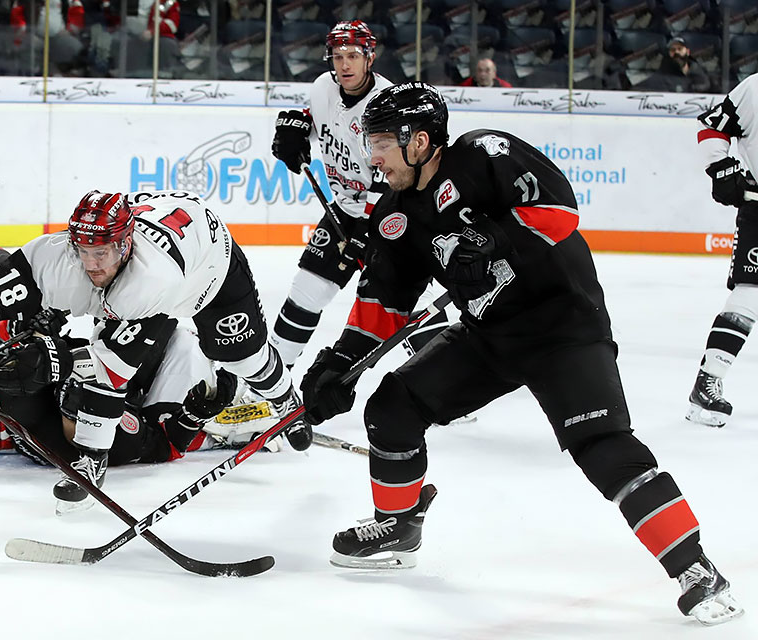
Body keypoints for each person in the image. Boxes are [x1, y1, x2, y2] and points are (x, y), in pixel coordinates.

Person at [300, 81, 743, 626]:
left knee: (603, 447)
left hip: (564, 330)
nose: (373, 155)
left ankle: (695, 567)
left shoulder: (485, 155)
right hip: (489, 336)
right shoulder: (396, 212)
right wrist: (337, 365)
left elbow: (558, 209)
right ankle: (398, 525)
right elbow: (383, 300)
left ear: (419, 141)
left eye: (383, 142)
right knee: (392, 406)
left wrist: (491, 239)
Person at [0, 190, 312, 507]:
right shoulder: (61, 256)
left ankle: (286, 401)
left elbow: (113, 371)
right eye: (84, 250)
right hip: (152, 258)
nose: (92, 264)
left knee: (244, 356)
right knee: (14, 282)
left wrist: (88, 449)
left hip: (208, 268)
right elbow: (0, 288)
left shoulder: (149, 283)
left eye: (102, 252)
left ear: (125, 245)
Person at [270, 21, 439, 369]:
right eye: (337, 56)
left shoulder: (386, 102)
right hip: (345, 210)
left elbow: (390, 175)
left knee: (402, 303)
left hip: (391, 214)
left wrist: (368, 230)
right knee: (305, 292)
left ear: (370, 58)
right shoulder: (322, 87)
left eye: (352, 56)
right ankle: (268, 382)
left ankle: (445, 382)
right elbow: (319, 119)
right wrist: (297, 130)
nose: (344, 64)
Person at [685, 72, 758, 427]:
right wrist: (721, 168)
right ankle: (708, 379)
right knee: (749, 297)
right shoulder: (755, 88)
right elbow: (712, 128)